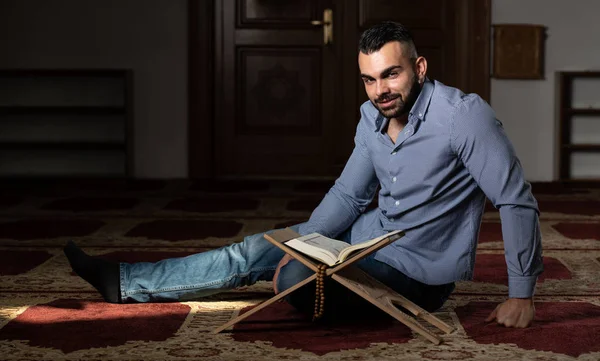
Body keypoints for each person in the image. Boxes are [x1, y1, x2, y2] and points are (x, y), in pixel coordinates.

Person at [65, 21, 543, 328]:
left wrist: (521, 295)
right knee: (258, 250)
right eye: (370, 79)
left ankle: (301, 273)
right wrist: (307, 241)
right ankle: (125, 283)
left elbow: (515, 200)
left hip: (420, 273)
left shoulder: (463, 116)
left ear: (418, 67)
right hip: (365, 240)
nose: (381, 90)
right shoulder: (370, 117)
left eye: (392, 75)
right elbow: (349, 195)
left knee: (293, 277)